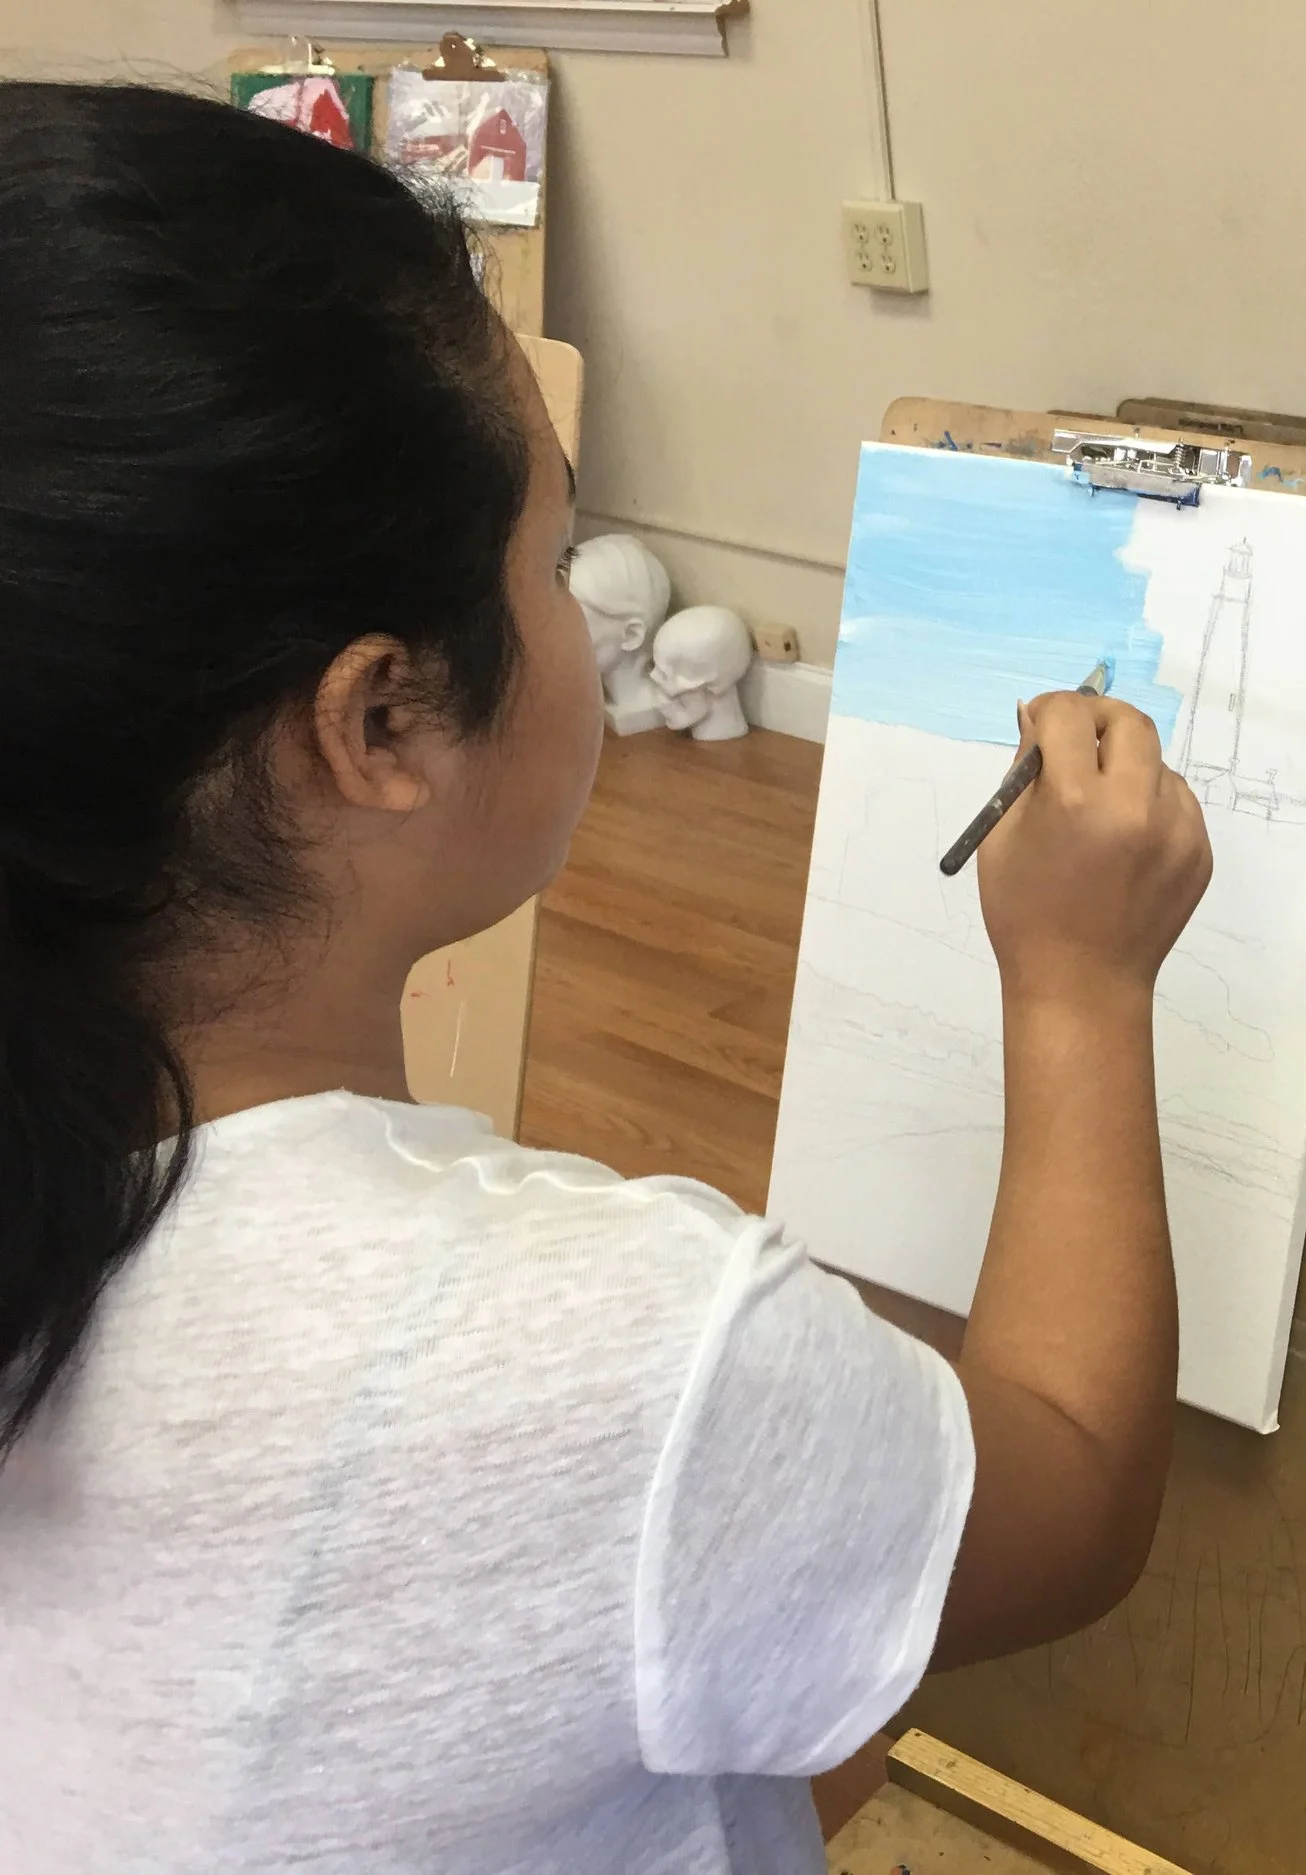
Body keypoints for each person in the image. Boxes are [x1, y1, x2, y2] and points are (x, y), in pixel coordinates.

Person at [0, 82, 1211, 1873]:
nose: (583, 616)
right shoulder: (602, 1356)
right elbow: (1072, 1490)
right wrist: (1081, 984)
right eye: (556, 561)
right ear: (384, 715)